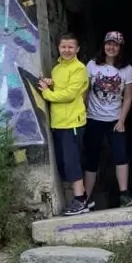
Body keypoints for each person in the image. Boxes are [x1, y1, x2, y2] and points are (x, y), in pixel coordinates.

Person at [83, 30, 132, 209]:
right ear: (103, 45)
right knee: (91, 158)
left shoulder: (126, 69)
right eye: (109, 43)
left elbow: (128, 97)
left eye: (115, 44)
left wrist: (121, 120)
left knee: (121, 156)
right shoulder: (92, 65)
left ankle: (124, 194)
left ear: (120, 48)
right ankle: (85, 198)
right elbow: (84, 91)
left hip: (115, 119)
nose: (111, 47)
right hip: (93, 118)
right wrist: (83, 112)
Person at [38, 33, 90, 216]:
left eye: (70, 47)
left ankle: (80, 200)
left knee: (72, 162)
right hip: (59, 123)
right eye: (63, 47)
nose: (67, 50)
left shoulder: (79, 68)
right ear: (58, 48)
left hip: (72, 123)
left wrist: (46, 93)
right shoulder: (58, 68)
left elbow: (69, 95)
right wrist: (50, 83)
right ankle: (80, 198)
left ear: (77, 49)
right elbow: (60, 87)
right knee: (64, 163)